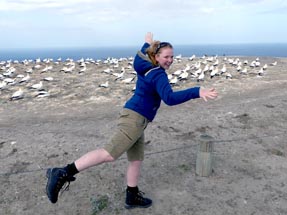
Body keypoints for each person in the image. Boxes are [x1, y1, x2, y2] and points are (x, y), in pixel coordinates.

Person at [45, 32, 218, 209]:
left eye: (172, 56)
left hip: (136, 117)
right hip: (134, 119)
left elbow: (143, 52)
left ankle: (132, 195)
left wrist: (147, 43)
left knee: (136, 159)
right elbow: (169, 98)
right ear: (156, 57)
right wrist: (197, 91)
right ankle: (62, 172)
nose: (170, 60)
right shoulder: (158, 74)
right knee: (109, 154)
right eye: (166, 56)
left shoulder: (143, 64)